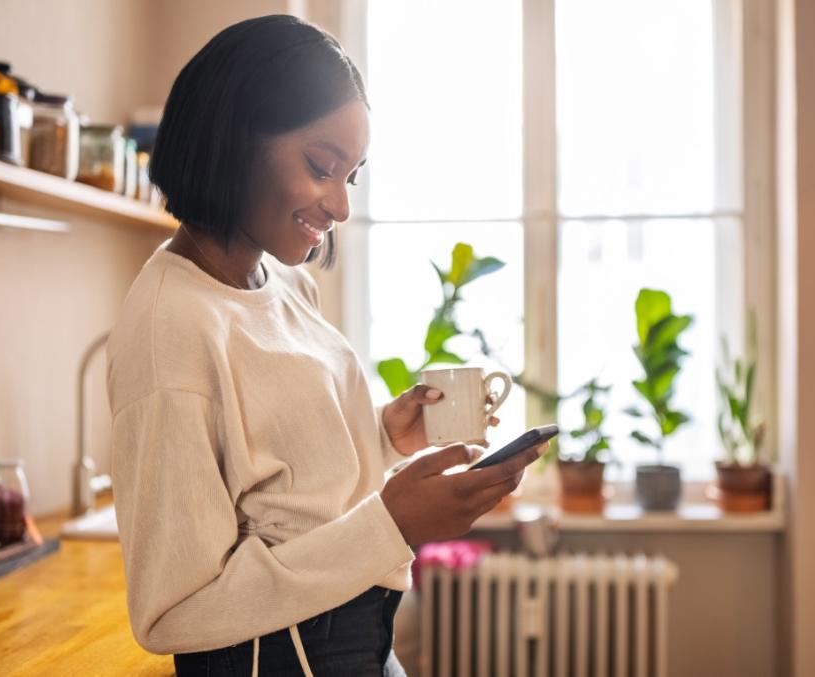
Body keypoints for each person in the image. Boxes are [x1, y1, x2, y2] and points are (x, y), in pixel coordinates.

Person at [107, 15, 545, 676]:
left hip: (359, 640)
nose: (340, 204)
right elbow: (174, 611)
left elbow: (287, 488)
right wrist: (391, 525)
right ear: (235, 140)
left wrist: (386, 436)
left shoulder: (284, 282)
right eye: (321, 165)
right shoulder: (171, 326)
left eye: (353, 175)